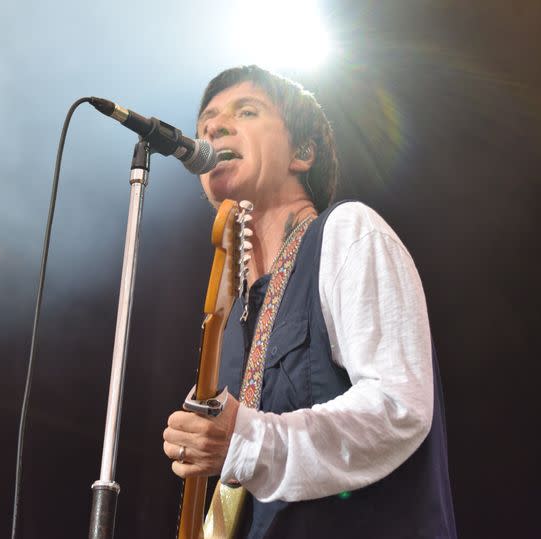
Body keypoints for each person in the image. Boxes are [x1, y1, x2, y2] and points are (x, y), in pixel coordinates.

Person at [162, 65, 456, 538]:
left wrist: (248, 442)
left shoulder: (348, 232)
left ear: (302, 153)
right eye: (205, 124)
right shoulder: (233, 317)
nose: (213, 128)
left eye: (247, 111)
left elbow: (398, 406)